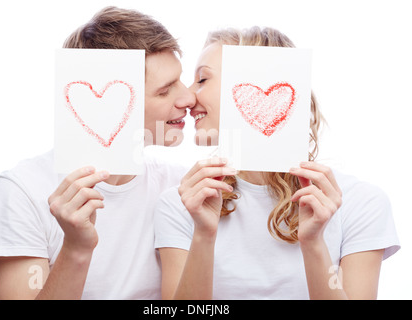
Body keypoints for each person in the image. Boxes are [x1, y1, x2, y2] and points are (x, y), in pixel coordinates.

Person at [154, 26, 400, 299]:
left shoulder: (361, 202)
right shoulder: (181, 204)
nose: (188, 97)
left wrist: (314, 244)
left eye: (202, 79)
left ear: (253, 83)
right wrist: (203, 234)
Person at [0, 6, 195, 299]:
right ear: (117, 101)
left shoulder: (181, 188)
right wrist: (76, 248)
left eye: (180, 81)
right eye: (165, 90)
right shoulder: (21, 191)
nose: (188, 97)